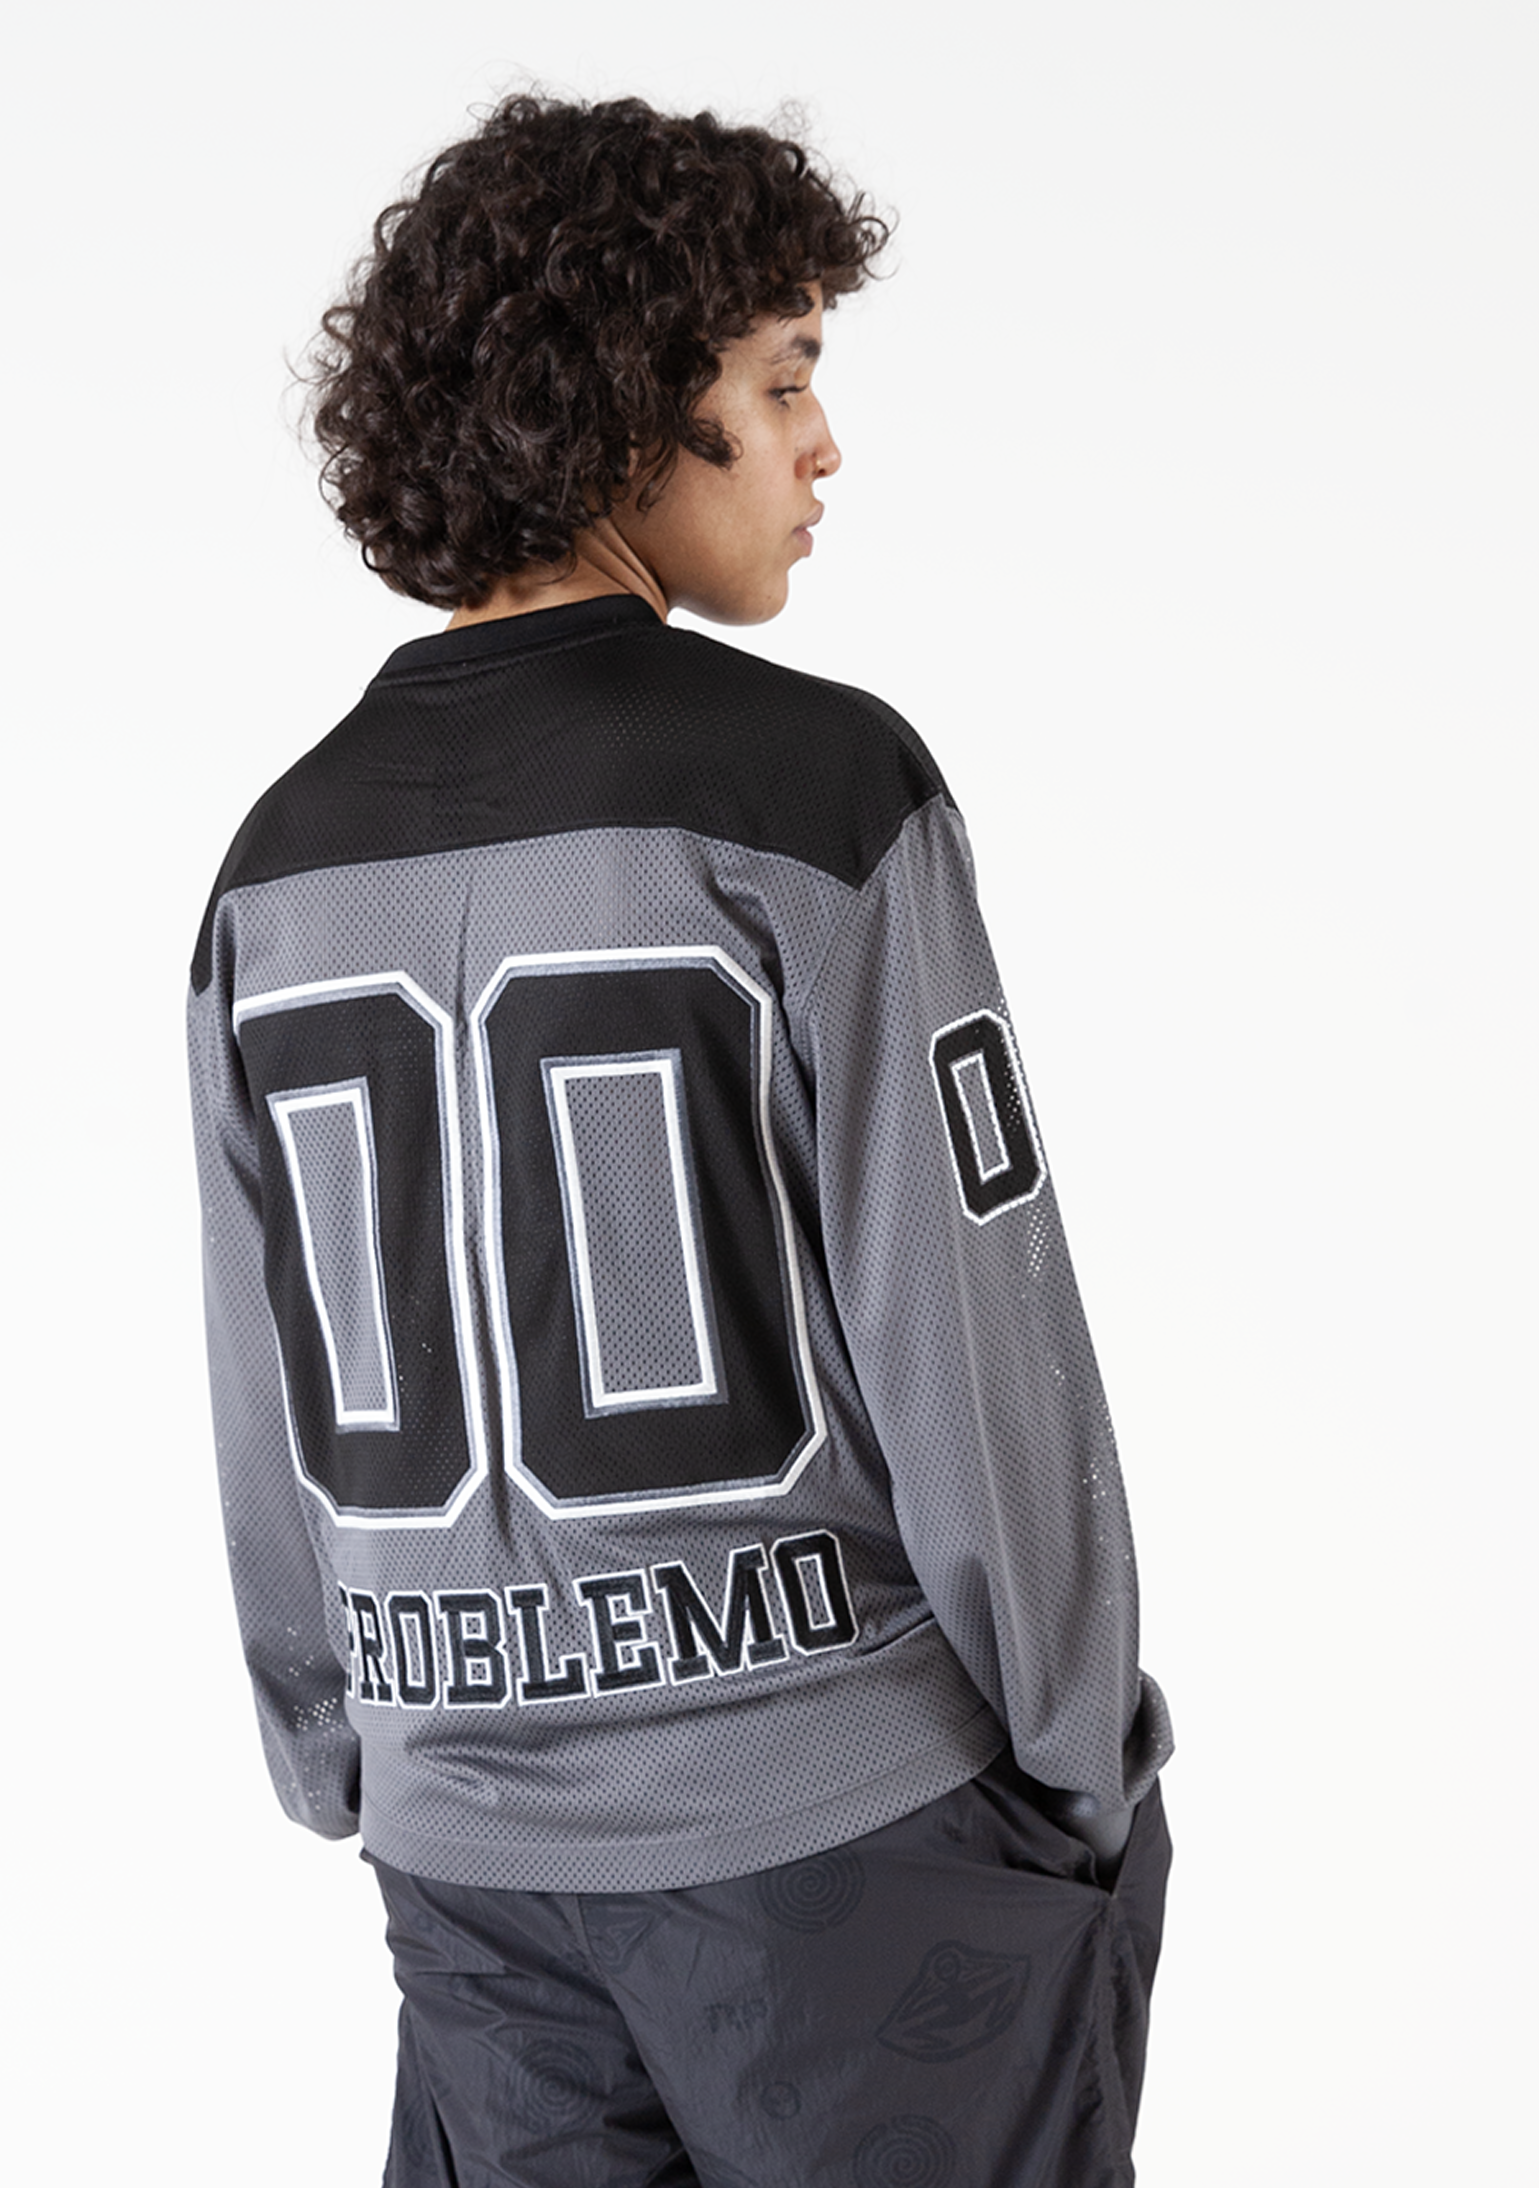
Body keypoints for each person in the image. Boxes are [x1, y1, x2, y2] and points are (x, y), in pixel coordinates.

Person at [188, 93, 1173, 2187]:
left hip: (467, 1859)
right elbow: (970, 1343)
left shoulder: (273, 861)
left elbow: (263, 1385)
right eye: (783, 380)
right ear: (631, 403)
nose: (824, 448)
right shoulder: (818, 791)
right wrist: (1080, 1758)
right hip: (845, 1849)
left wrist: (347, 1750)